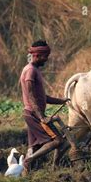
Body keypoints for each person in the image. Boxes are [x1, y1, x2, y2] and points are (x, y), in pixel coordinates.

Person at [20, 40, 70, 171]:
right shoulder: (30, 71)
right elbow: (31, 95)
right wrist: (41, 117)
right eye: (45, 56)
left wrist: (62, 101)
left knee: (33, 147)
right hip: (34, 115)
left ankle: (26, 175)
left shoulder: (33, 70)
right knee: (58, 140)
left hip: (31, 114)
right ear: (37, 55)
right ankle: (29, 161)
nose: (46, 59)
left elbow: (43, 97)